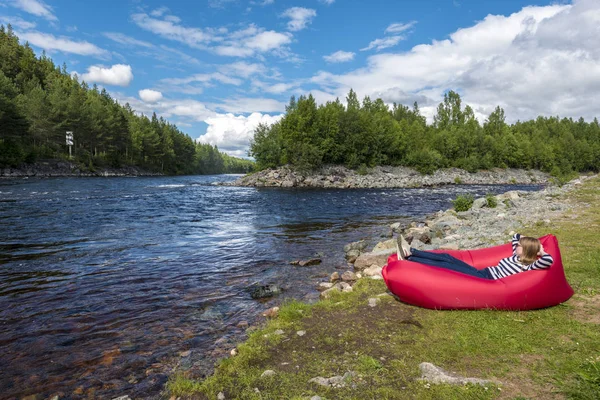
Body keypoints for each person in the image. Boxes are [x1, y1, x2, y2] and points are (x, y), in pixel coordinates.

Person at [396, 233, 553, 280]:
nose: (516, 245)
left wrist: (540, 250)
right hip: (483, 272)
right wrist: (529, 242)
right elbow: (516, 236)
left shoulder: (528, 265)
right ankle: (412, 252)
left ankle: (410, 260)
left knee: (447, 267)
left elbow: (548, 260)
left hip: (486, 279)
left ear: (526, 251)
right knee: (446, 257)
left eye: (520, 246)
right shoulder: (515, 255)